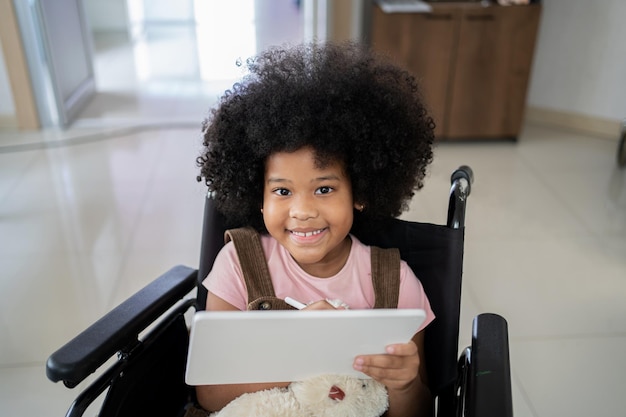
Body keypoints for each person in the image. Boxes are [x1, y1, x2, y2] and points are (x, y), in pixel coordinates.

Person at [194, 41, 436, 417]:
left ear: (360, 192)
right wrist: (298, 346)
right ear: (258, 198)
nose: (303, 211)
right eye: (282, 191)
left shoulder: (395, 283)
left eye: (324, 189)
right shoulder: (238, 265)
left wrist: (404, 384)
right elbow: (209, 396)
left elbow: (418, 411)